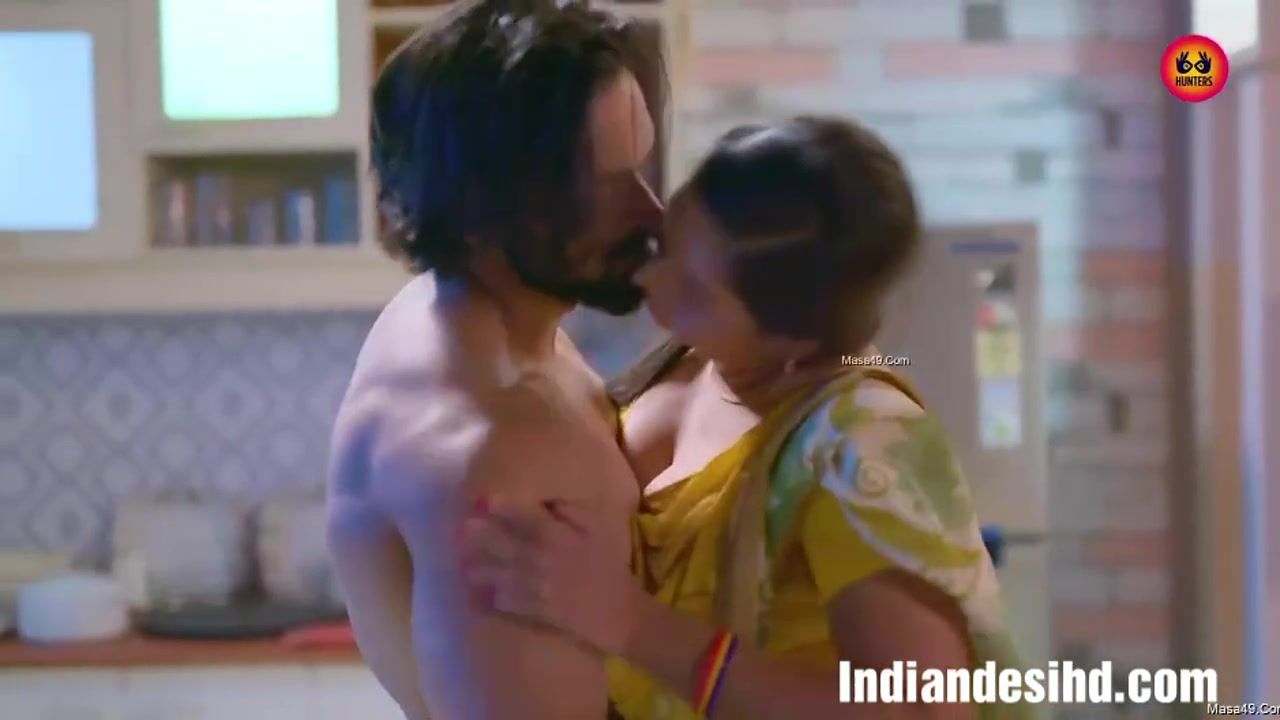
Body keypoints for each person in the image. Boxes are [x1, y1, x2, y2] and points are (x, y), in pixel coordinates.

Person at [460, 117, 1029, 719]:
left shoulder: (857, 448)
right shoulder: (701, 356)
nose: (649, 277)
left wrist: (630, 622)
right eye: (666, 243)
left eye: (696, 289)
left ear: (794, 340)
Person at [325, 1, 664, 718]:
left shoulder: (461, 317)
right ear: (485, 205)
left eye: (640, 168)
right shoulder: (503, 454)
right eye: (606, 185)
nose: (651, 212)